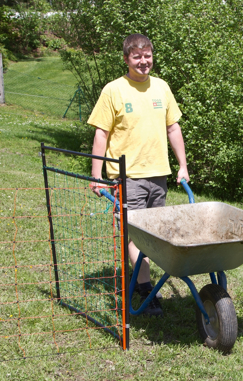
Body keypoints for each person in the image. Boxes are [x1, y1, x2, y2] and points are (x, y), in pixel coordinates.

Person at [87, 33, 189, 317]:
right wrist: (97, 174)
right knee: (135, 236)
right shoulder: (114, 90)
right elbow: (101, 133)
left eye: (147, 56)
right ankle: (146, 289)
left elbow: (173, 129)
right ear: (126, 59)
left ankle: (144, 282)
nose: (144, 62)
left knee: (154, 235)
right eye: (137, 57)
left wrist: (183, 165)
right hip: (127, 176)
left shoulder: (162, 88)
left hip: (158, 174)